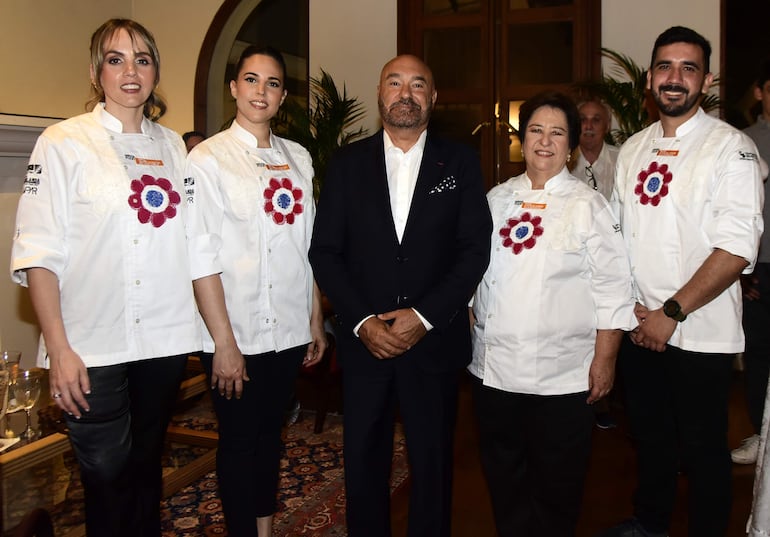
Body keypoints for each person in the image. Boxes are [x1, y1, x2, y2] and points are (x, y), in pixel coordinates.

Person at [10, 18, 200, 537]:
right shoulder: (62, 142)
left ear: (156, 71)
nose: (130, 71)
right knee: (105, 478)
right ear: (97, 74)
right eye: (116, 60)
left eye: (142, 59)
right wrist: (59, 348)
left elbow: (193, 243)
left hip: (162, 340)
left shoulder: (175, 148)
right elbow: (38, 252)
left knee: (144, 472)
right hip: (90, 346)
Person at [308, 54, 492, 536]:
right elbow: (325, 252)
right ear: (380, 93)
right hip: (365, 344)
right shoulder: (347, 164)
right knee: (363, 460)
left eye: (417, 84)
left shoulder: (460, 162)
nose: (405, 93)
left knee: (432, 463)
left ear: (434, 97)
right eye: (395, 82)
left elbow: (474, 251)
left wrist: (424, 317)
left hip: (433, 344)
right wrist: (363, 321)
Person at [598, 26, 764, 537]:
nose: (675, 79)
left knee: (703, 449)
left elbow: (737, 248)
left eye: (688, 68)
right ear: (650, 78)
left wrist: (670, 314)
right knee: (649, 438)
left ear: (706, 80)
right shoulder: (632, 150)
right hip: (640, 327)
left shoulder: (730, 149)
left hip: (698, 330)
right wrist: (633, 315)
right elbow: (617, 239)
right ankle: (649, 522)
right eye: (666, 67)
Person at [470, 91, 635, 536]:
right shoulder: (496, 199)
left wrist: (606, 359)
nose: (545, 141)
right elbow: (472, 275)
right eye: (536, 131)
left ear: (572, 145)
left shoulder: (587, 205)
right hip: (496, 374)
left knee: (556, 487)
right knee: (504, 480)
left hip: (562, 378)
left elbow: (613, 289)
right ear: (523, 140)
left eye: (557, 132)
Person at [184, 45, 327, 537]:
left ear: (282, 95)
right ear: (233, 88)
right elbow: (199, 255)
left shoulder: (299, 158)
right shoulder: (207, 159)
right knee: (240, 440)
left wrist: (313, 321)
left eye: (271, 83)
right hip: (235, 331)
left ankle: (264, 530)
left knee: (271, 438)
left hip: (286, 330)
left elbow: (307, 247)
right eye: (250, 79)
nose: (260, 91)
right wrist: (223, 343)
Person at [732, 59, 770, 465]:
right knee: (758, 351)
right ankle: (762, 435)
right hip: (758, 266)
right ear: (759, 93)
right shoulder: (742, 142)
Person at [570, 98, 619, 202]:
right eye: (583, 120)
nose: (588, 126)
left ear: (607, 126)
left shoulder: (621, 160)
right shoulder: (564, 162)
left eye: (596, 120)